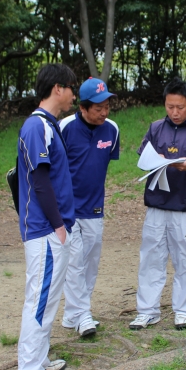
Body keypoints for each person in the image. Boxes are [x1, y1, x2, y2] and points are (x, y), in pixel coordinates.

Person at [130, 78, 186, 331]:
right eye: (170, 107)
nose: (175, 112)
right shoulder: (156, 128)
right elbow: (142, 159)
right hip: (156, 206)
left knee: (184, 259)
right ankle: (147, 311)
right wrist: (154, 160)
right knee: (150, 258)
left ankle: (183, 309)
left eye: (180, 107)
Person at [16, 63, 77, 370]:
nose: (73, 96)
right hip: (45, 230)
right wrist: (58, 226)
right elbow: (39, 180)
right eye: (71, 88)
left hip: (52, 229)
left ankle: (39, 360)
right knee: (38, 303)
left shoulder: (49, 125)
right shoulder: (36, 125)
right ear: (58, 88)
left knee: (49, 300)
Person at [59, 78, 120, 337]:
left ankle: (72, 314)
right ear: (83, 107)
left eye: (107, 106)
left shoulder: (112, 130)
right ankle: (83, 315)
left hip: (95, 208)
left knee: (90, 263)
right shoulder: (64, 128)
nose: (104, 112)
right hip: (67, 209)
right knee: (74, 263)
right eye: (98, 108)